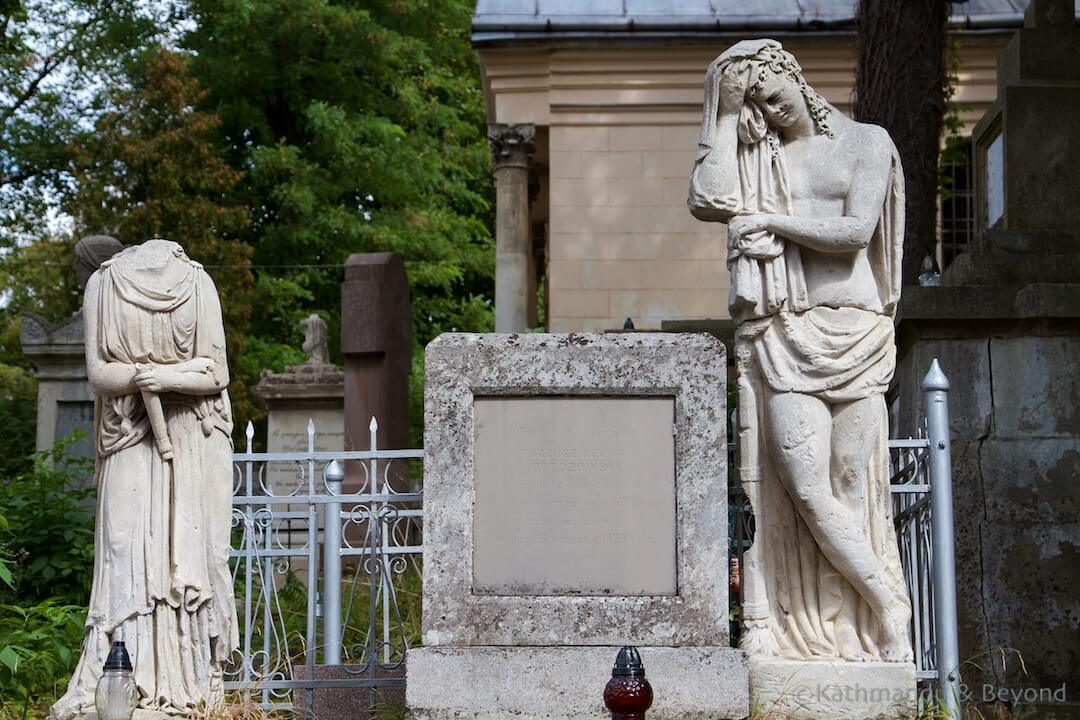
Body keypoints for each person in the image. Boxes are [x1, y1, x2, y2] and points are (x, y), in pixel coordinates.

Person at [689, 39, 913, 662]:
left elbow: (854, 234)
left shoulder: (868, 142)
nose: (769, 108)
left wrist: (776, 223)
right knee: (806, 489)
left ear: (793, 73)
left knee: (849, 484)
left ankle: (847, 622)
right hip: (787, 332)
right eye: (755, 102)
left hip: (858, 330)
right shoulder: (761, 159)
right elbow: (708, 198)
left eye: (769, 91)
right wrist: (729, 114)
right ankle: (890, 605)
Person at [50, 239, 239, 718]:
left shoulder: (197, 282)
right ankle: (122, 678)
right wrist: (143, 377)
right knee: (124, 552)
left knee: (191, 557)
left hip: (192, 436)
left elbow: (217, 373)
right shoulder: (103, 283)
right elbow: (99, 374)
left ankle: (194, 680)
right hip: (130, 435)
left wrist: (165, 379)